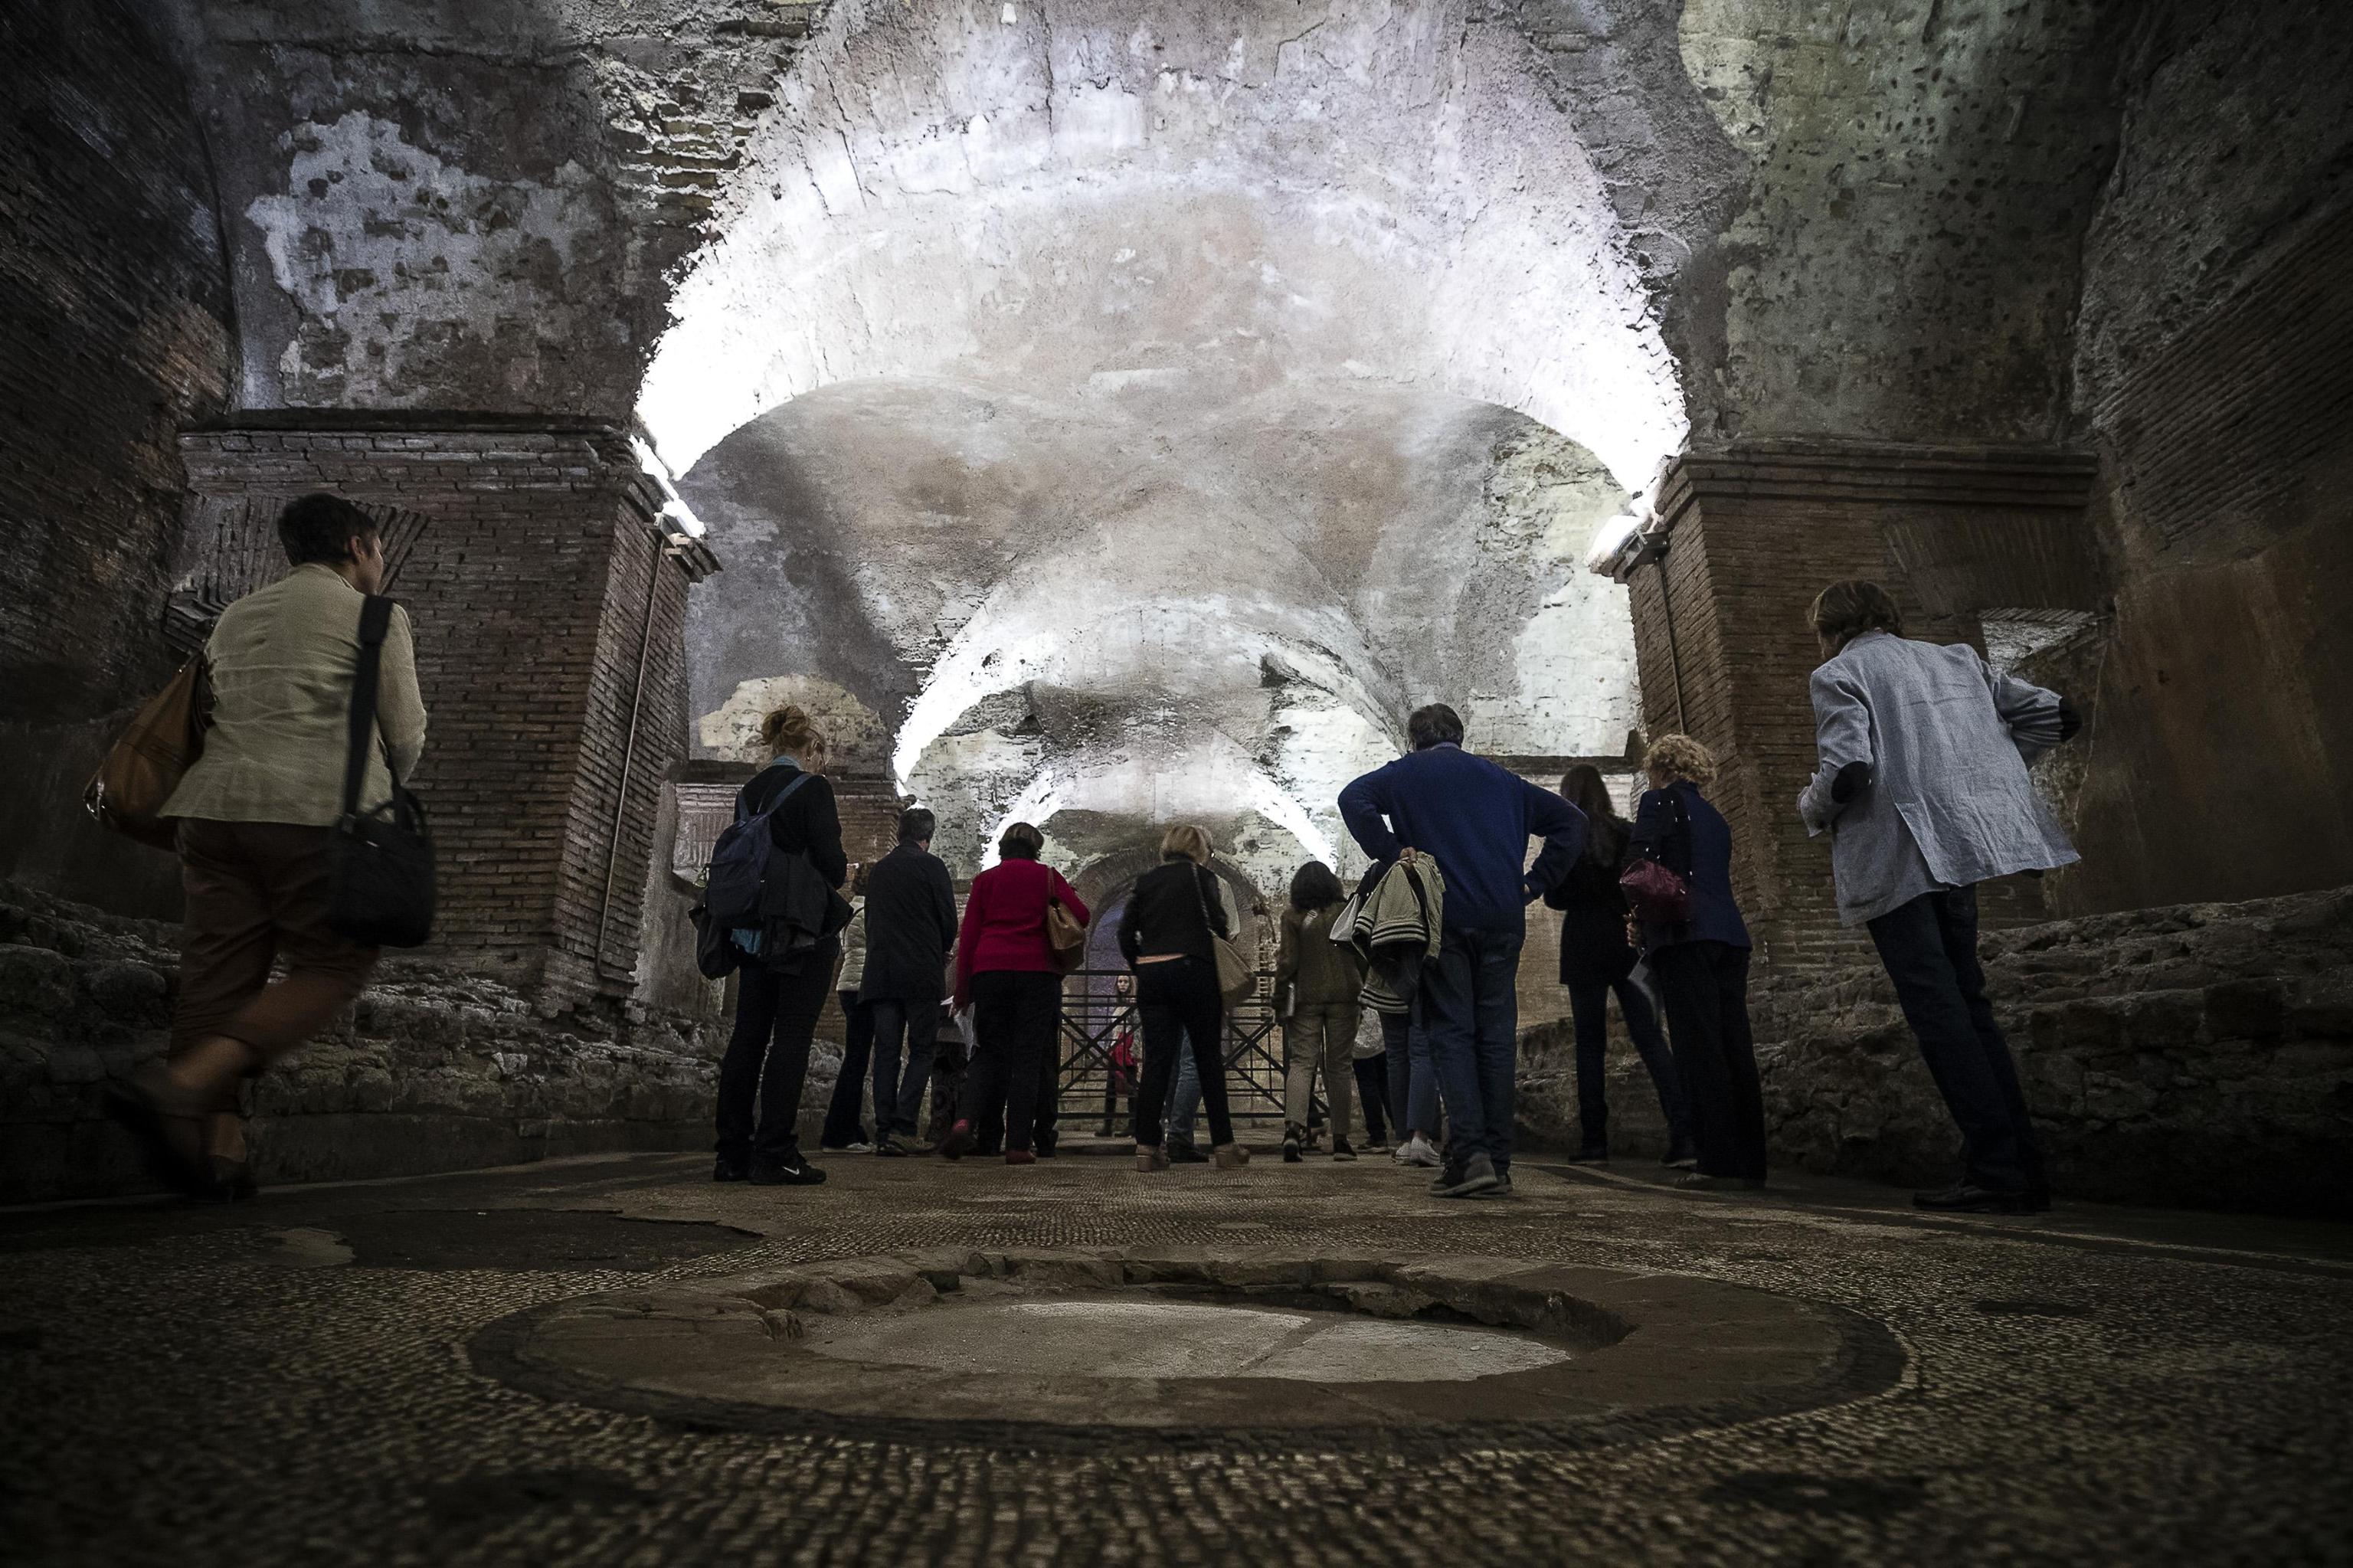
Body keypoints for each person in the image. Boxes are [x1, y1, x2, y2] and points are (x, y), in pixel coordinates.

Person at [105, 493, 426, 1200]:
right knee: (335, 964)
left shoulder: (237, 614)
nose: (380, 561)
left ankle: (216, 1149)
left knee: (216, 976)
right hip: (315, 815)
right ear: (354, 545)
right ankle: (183, 1085)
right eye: (376, 548)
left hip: (211, 815)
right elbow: (403, 736)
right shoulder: (378, 617)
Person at [1799, 580, 2078, 1214]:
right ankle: (2020, 1163)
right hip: (1961, 847)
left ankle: (1996, 1168)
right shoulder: (1958, 659)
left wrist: (1809, 807)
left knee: (1939, 1013)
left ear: (1832, 629)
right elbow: (2059, 715)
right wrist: (1986, 773)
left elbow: (1849, 772)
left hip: (1897, 858)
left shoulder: (1839, 674)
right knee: (1970, 1001)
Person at [1339, 702, 1584, 1198]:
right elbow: (1572, 823)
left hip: (1442, 915)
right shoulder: (1504, 781)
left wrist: (1391, 851)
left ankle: (1470, 1154)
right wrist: (1534, 883)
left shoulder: (1406, 774)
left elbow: (1352, 798)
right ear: (1460, 735)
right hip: (1502, 916)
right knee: (1495, 1034)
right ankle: (1498, 1160)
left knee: (1450, 1029)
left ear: (1414, 739)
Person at [712, 705, 847, 1186]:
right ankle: (775, 1153)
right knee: (791, 1038)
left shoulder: (749, 793)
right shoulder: (814, 789)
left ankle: (731, 1154)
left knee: (747, 1037)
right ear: (811, 748)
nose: (821, 764)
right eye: (821, 755)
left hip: (750, 930)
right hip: (797, 931)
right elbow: (831, 864)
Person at [1630, 733, 1763, 1191]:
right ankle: (1750, 1160)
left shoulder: (1658, 802)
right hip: (1730, 935)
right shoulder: (1716, 817)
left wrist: (1637, 921)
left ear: (1661, 768)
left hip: (1685, 936)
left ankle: (1717, 1160)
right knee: (1735, 1046)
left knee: (1697, 1047)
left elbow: (1639, 868)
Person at [1546, 765, 1694, 1167]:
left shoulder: (1566, 839)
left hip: (1582, 945)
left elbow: (1554, 898)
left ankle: (1594, 1142)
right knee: (1650, 1037)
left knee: (1589, 1046)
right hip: (1627, 940)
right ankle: (1684, 1136)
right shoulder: (1626, 832)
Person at [939, 822, 1088, 1164]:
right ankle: (1018, 1145)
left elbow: (970, 936)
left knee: (987, 1053)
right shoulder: (1048, 877)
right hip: (1038, 974)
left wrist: (963, 992)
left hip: (990, 970)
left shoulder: (985, 880)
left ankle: (965, 1121)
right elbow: (1082, 915)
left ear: (1002, 848)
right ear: (1036, 849)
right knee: (1028, 1057)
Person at [1121, 824, 1251, 1172]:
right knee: (1207, 1059)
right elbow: (1220, 926)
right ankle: (1224, 1146)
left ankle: (1147, 1148)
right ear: (1199, 849)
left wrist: (1141, 964)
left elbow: (1124, 931)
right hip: (1195, 972)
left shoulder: (1145, 881)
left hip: (1153, 976)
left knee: (1157, 1062)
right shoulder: (1203, 878)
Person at [859, 807, 960, 1157]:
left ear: (900, 833)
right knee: (921, 1050)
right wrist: (942, 951)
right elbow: (949, 920)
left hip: (882, 972)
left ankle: (884, 1131)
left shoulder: (881, 870)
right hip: (921, 973)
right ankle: (904, 1127)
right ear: (927, 838)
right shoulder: (932, 867)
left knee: (886, 1052)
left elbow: (872, 919)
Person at [1274, 860, 1367, 1161]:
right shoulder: (1346, 911)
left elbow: (1288, 962)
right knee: (1339, 1066)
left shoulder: (1293, 916)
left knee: (1302, 1063)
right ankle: (1340, 1139)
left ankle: (1293, 1131)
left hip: (1306, 996)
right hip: (1344, 994)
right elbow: (1363, 952)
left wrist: (1279, 992)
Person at [819, 864, 875, 1154]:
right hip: (862, 985)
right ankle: (839, 1133)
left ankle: (849, 1128)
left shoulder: (851, 909)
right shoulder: (870, 913)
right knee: (856, 1061)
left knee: (856, 1059)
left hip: (848, 983)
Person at [1349, 1010, 1390, 1152]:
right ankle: (1403, 1131)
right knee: (1386, 1081)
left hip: (1358, 1029)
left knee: (1367, 1082)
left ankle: (1378, 1135)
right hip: (1379, 1026)